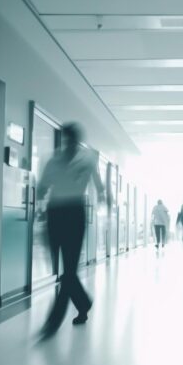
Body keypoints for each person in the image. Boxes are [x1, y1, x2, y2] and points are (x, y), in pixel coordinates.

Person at [36, 122, 104, 333]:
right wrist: (40, 206)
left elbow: (99, 185)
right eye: (67, 139)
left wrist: (102, 197)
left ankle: (53, 322)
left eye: (73, 139)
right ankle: (83, 304)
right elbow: (42, 187)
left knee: (70, 269)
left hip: (75, 212)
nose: (70, 143)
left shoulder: (89, 158)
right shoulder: (53, 159)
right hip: (55, 213)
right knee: (65, 272)